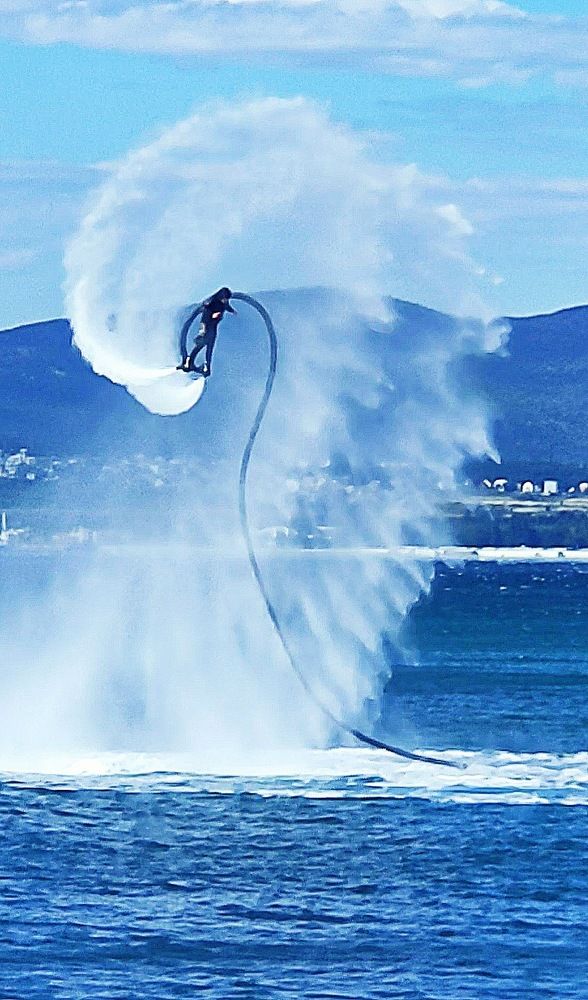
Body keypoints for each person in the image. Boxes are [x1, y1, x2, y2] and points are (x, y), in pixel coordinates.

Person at [178, 287, 236, 377]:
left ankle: (206, 366)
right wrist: (212, 316)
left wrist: (232, 311)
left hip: (213, 327)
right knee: (201, 345)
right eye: (225, 299)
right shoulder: (211, 303)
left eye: (227, 299)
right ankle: (189, 361)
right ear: (220, 296)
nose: (225, 301)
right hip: (206, 326)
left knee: (210, 347)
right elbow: (205, 317)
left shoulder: (224, 302)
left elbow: (226, 306)